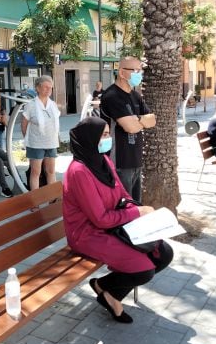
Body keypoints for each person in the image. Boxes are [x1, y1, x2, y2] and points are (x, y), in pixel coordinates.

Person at [63, 117, 174, 324]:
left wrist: (137, 210)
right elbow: (100, 219)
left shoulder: (102, 160)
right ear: (90, 138)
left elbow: (122, 193)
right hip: (88, 234)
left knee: (163, 253)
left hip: (114, 225)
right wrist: (136, 213)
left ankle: (109, 291)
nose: (109, 138)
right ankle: (106, 287)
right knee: (143, 269)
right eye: (103, 135)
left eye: (108, 134)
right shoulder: (79, 171)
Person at [100, 56, 155, 203]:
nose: (139, 74)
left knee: (135, 205)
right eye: (136, 70)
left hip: (136, 160)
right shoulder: (111, 96)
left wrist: (137, 121)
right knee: (123, 207)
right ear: (122, 73)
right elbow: (130, 127)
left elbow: (152, 120)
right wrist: (140, 121)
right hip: (119, 161)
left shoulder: (135, 95)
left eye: (140, 70)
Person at [21, 75, 60, 190]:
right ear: (38, 88)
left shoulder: (53, 105)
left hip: (51, 142)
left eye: (50, 87)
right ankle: (35, 203)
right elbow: (24, 125)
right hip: (36, 144)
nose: (49, 90)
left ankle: (52, 200)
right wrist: (28, 140)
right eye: (46, 87)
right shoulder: (31, 105)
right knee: (36, 172)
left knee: (51, 171)